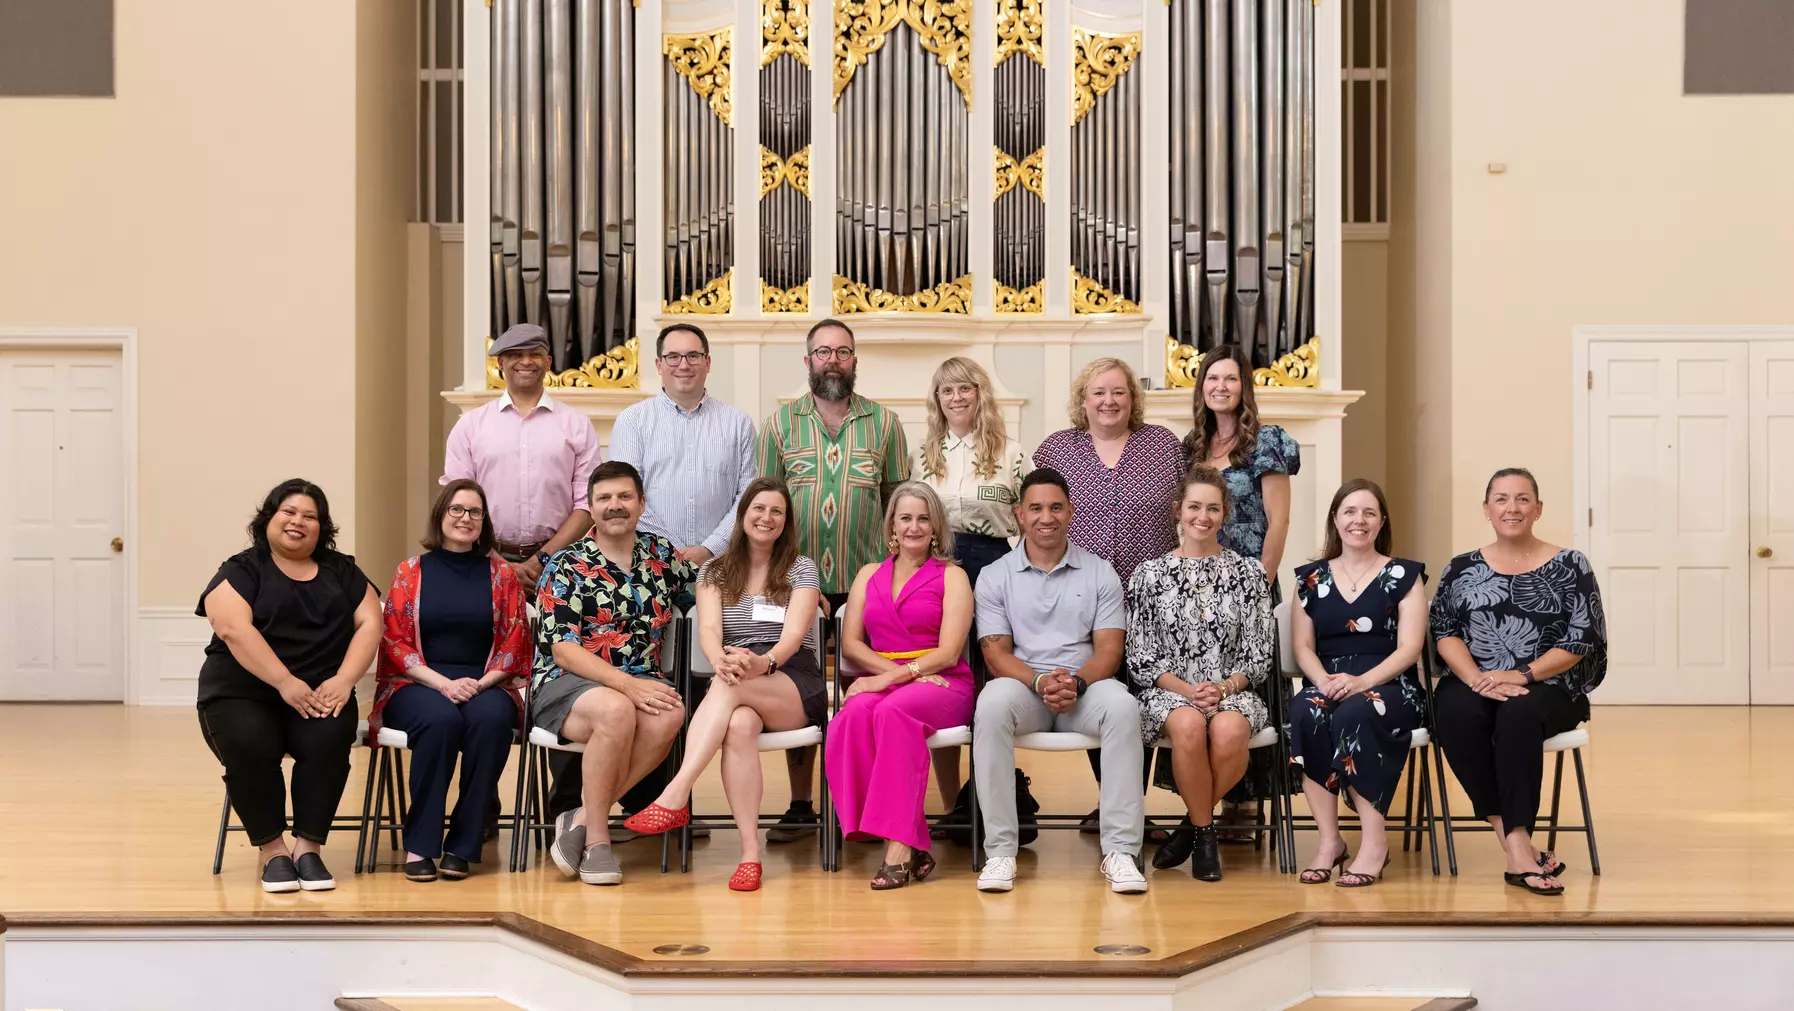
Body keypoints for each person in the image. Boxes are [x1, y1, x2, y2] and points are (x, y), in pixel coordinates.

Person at [620, 478, 826, 892]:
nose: (766, 518)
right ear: (743, 514)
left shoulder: (801, 567)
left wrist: (760, 664)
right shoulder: (714, 570)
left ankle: (675, 793)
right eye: (758, 509)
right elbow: (710, 630)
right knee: (738, 724)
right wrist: (722, 661)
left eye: (776, 511)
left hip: (789, 676)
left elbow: (792, 636)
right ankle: (750, 856)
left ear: (786, 522)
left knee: (728, 689)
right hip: (734, 670)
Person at [442, 322, 603, 833]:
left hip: (563, 565)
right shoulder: (472, 427)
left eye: (535, 353)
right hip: (485, 560)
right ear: (501, 365)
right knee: (485, 673)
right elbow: (457, 499)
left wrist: (544, 559)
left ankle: (564, 804)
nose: (525, 362)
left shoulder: (575, 425)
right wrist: (498, 559)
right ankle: (482, 804)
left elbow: (586, 504)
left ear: (548, 360)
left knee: (566, 672)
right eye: (514, 356)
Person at [758, 317, 910, 843]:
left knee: (862, 689)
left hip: (865, 583)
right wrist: (794, 584)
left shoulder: (886, 425)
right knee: (802, 689)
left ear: (854, 360)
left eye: (842, 352)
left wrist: (888, 577)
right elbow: (767, 510)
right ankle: (802, 805)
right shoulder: (778, 426)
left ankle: (863, 806)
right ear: (807, 361)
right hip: (796, 587)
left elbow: (899, 508)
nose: (832, 360)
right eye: (822, 352)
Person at [196, 479, 381, 893]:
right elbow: (230, 627)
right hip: (243, 692)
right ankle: (274, 850)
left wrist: (344, 680)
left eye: (310, 517)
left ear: (322, 527)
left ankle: (308, 848)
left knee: (329, 740)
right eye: (289, 513)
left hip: (320, 692)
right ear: (269, 519)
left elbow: (371, 621)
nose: (299, 522)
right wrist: (284, 682)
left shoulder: (343, 571)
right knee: (249, 744)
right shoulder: (242, 568)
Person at [1431, 468, 1607, 897]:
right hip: (1474, 678)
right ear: (1487, 510)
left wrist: (1523, 674)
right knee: (1453, 711)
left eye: (1523, 499)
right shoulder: (1461, 567)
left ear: (1539, 509)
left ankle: (1518, 847)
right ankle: (1517, 846)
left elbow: (1581, 638)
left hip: (1549, 685)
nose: (1513, 508)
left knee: (1518, 713)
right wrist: (1476, 679)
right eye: (1502, 499)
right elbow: (1443, 631)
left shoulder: (1570, 564)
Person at [972, 468, 1145, 894]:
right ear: (1019, 514)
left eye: (1055, 507)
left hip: (1084, 689)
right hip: (1025, 689)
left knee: (1124, 706)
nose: (1045, 517)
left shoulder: (1100, 572)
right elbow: (995, 653)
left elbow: (1109, 650)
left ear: (1071, 512)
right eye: (1035, 508)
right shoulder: (996, 575)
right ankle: (999, 852)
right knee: (990, 705)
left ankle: (1121, 851)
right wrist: (1039, 682)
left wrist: (1077, 684)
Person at [1033, 356, 1181, 839]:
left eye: (1118, 392)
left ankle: (1126, 804)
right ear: (1083, 399)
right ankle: (1114, 803)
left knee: (1141, 697)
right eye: (1099, 392)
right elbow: (1040, 517)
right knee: (1100, 690)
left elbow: (1188, 510)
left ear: (1132, 399)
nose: (1109, 401)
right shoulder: (1056, 450)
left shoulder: (1163, 446)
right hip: (1084, 596)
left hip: (1152, 596)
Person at [532, 461, 696, 886]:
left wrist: (786, 591)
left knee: (671, 712)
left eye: (624, 497)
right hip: (568, 683)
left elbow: (711, 589)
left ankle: (583, 815)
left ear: (642, 503)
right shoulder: (566, 565)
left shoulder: (662, 556)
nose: (615, 506)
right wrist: (625, 684)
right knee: (617, 711)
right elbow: (563, 649)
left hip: (641, 678)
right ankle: (598, 841)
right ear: (591, 506)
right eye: (604, 498)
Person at [370, 479, 532, 882]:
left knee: (491, 721)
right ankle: (420, 845)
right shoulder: (411, 571)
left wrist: (479, 684)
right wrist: (443, 684)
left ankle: (463, 843)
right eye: (457, 509)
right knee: (441, 721)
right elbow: (394, 641)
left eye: (475, 512)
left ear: (484, 522)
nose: (465, 518)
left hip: (486, 683)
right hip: (417, 683)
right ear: (441, 516)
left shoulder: (502, 575)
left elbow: (516, 640)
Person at [1179, 344, 1301, 847]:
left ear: (1243, 387)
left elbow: (1279, 521)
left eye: (1230, 380)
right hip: (1199, 585)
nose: (1221, 388)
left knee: (1246, 686)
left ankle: (1240, 802)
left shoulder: (1267, 442)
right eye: (1213, 379)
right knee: (1205, 687)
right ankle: (1206, 801)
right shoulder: (1192, 445)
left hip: (1250, 582)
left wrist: (1259, 585)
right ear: (1202, 387)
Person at [1127, 467, 1274, 882]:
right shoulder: (1149, 574)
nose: (1203, 517)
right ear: (1178, 510)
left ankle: (1193, 828)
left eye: (1213, 508)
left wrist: (1222, 688)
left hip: (1232, 691)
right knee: (1189, 727)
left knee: (1229, 732)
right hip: (1170, 692)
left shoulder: (1249, 574)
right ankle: (1205, 835)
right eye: (1194, 506)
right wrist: (1189, 692)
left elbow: (1258, 654)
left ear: (1225, 513)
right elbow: (1141, 658)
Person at [825, 482, 975, 889]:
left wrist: (895, 676)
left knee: (894, 711)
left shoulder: (954, 576)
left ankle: (899, 850)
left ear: (936, 526)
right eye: (905, 518)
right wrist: (888, 675)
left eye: (923, 518)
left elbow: (948, 652)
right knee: (851, 717)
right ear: (892, 523)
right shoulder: (868, 574)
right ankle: (905, 834)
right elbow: (851, 643)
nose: (914, 527)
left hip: (942, 682)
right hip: (888, 676)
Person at [1287, 479, 1426, 888]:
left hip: (1390, 683)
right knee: (1305, 710)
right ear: (1336, 519)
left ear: (1381, 521)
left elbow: (1410, 649)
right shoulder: (1310, 578)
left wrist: (1361, 681)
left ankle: (1373, 843)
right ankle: (1330, 842)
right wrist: (1324, 682)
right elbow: (1302, 646)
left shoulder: (1404, 574)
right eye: (1349, 512)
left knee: (1356, 710)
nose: (1358, 520)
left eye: (1368, 512)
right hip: (1329, 679)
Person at [913, 355, 1030, 812]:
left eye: (965, 388)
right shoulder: (923, 455)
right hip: (937, 568)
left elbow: (1029, 520)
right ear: (937, 400)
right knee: (942, 680)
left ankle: (989, 800)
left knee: (989, 681)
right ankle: (951, 809)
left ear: (981, 394)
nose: (956, 397)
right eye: (947, 390)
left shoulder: (1013, 453)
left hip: (994, 566)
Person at [609, 322, 757, 569]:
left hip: (722, 564)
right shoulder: (632, 421)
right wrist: (672, 549)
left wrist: (710, 547)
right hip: (649, 564)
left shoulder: (738, 423)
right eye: (673, 357)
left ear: (707, 362)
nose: (684, 365)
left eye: (693, 356)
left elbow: (748, 495)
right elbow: (626, 494)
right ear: (659, 365)